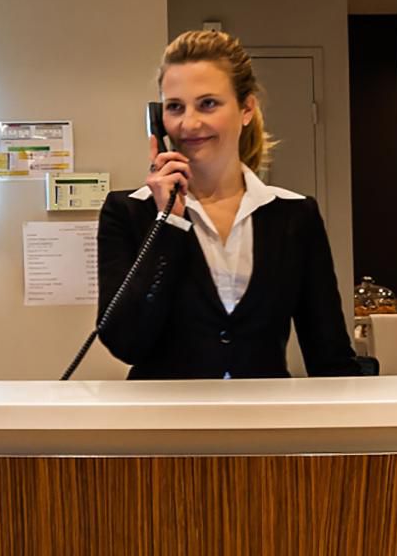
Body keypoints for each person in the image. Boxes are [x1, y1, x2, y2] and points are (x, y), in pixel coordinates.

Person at [94, 29, 369, 379]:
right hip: (166, 413)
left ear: (246, 109)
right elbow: (125, 342)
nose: (189, 123)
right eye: (175, 107)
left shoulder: (295, 215)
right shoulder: (129, 212)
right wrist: (169, 224)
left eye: (208, 104)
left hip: (261, 412)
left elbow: (329, 354)